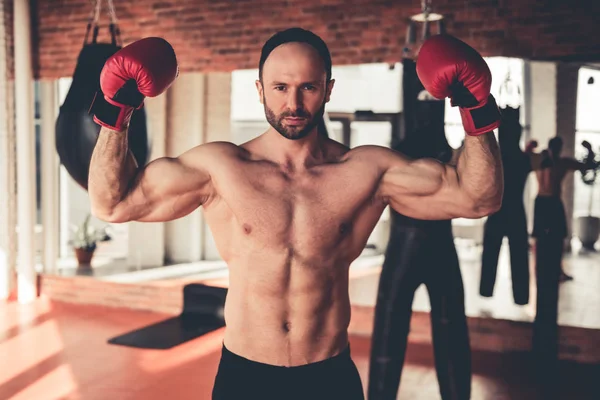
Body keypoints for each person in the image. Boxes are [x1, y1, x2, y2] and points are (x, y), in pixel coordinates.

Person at [88, 30, 503, 400]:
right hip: (245, 376)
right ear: (260, 89)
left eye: (308, 87)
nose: (293, 103)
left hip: (328, 376)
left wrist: (476, 109)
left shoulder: (367, 171)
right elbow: (113, 203)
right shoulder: (221, 169)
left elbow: (477, 199)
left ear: (328, 89)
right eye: (280, 87)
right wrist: (117, 111)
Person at [368, 59, 471, 400]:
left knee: (448, 334)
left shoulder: (445, 151)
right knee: (390, 335)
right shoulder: (398, 154)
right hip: (411, 247)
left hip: (428, 247)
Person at [480, 106, 532, 305]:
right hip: (516, 211)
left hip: (497, 209)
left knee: (491, 253)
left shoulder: (495, 159)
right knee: (519, 255)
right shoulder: (523, 159)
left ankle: (486, 290)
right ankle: (521, 296)